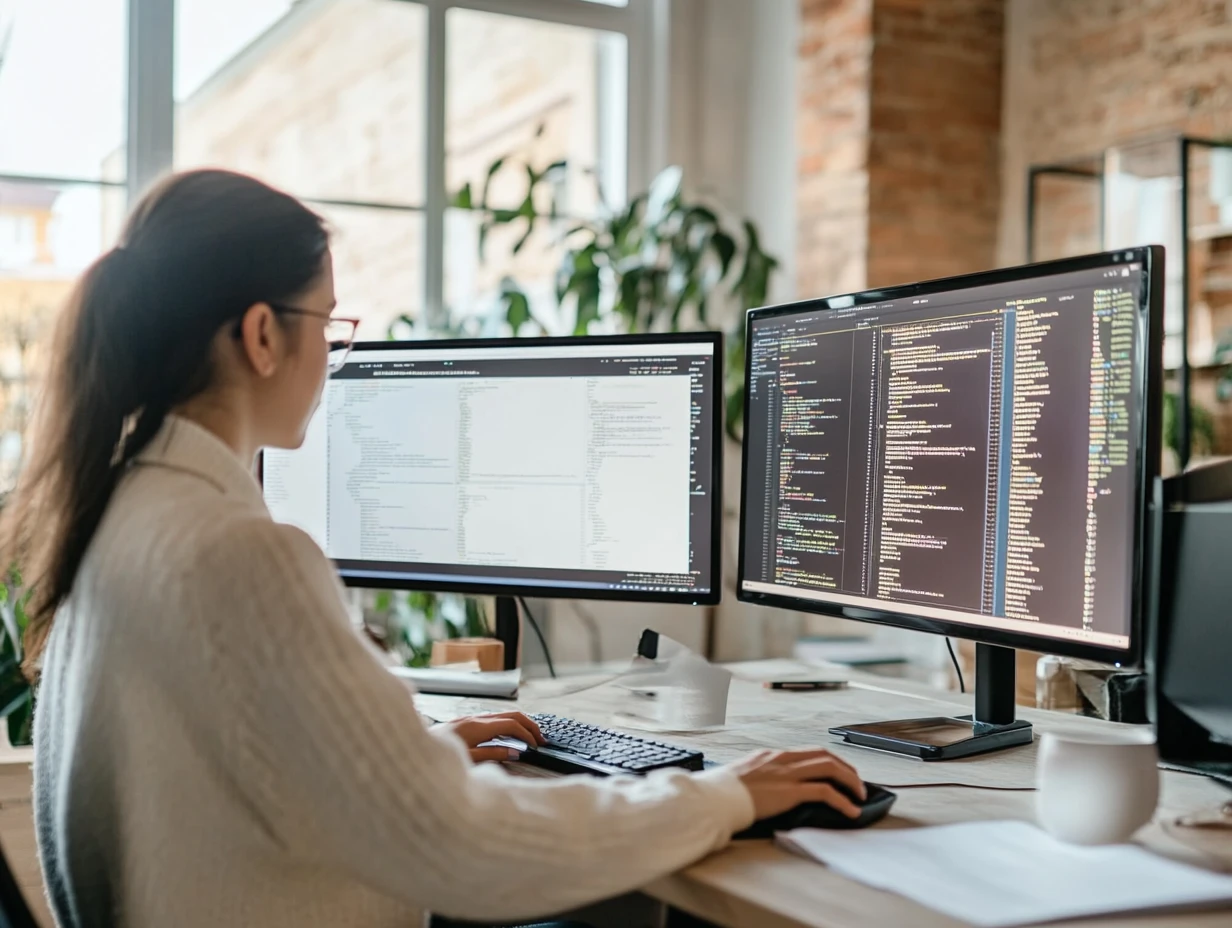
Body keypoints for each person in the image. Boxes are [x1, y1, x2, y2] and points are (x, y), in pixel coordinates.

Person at [1, 169, 866, 928]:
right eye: (329, 326)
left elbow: (226, 776)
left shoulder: (119, 510)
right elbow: (458, 845)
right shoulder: (236, 555)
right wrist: (723, 794)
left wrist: (424, 757)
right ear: (262, 335)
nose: (336, 356)